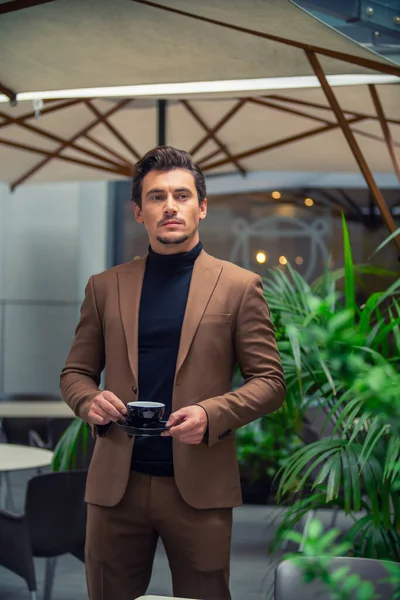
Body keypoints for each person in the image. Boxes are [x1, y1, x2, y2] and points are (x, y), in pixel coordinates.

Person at [61, 146, 286, 600]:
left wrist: (211, 412)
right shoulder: (104, 287)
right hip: (115, 488)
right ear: (139, 212)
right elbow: (76, 372)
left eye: (181, 196)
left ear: (201, 207)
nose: (170, 206)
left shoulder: (239, 287)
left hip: (199, 485)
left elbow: (271, 383)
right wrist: (88, 400)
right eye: (156, 197)